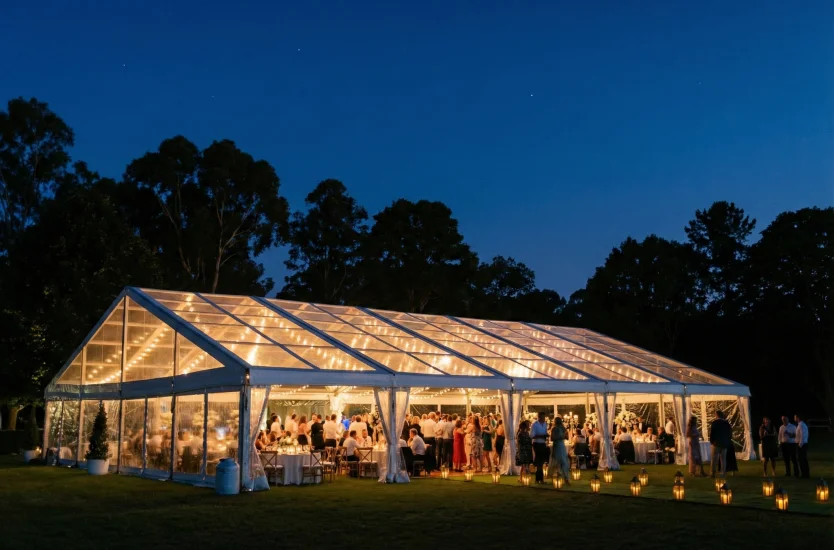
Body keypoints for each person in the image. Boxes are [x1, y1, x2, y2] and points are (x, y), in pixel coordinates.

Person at [709, 410, 732, 478]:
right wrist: (728, 441)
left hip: (716, 443)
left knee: (714, 459)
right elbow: (730, 433)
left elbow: (712, 433)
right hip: (724, 443)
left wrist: (712, 441)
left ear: (716, 415)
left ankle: (712, 473)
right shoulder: (726, 423)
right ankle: (723, 473)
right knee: (723, 459)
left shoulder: (715, 423)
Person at [549, 417, 570, 483]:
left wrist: (565, 436)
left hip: (561, 445)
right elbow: (552, 438)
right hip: (557, 445)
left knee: (563, 461)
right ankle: (557, 476)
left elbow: (566, 436)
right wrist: (560, 437)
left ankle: (565, 477)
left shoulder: (563, 428)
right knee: (557, 461)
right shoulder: (554, 428)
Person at [530, 412, 549, 483]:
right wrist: (541, 436)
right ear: (539, 417)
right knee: (539, 462)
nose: (544, 419)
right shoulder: (535, 425)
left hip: (543, 443)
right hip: (537, 443)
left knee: (542, 461)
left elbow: (545, 433)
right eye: (542, 417)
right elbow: (532, 435)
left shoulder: (545, 424)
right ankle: (539, 479)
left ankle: (540, 479)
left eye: (544, 417)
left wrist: (546, 435)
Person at [795, 414, 810, 478]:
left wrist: (800, 445)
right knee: (803, 459)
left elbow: (802, 435)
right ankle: (805, 473)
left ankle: (804, 474)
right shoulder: (801, 425)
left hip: (802, 444)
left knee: (802, 459)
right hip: (802, 444)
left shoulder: (801, 425)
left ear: (798, 418)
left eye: (795, 417)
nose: (794, 418)